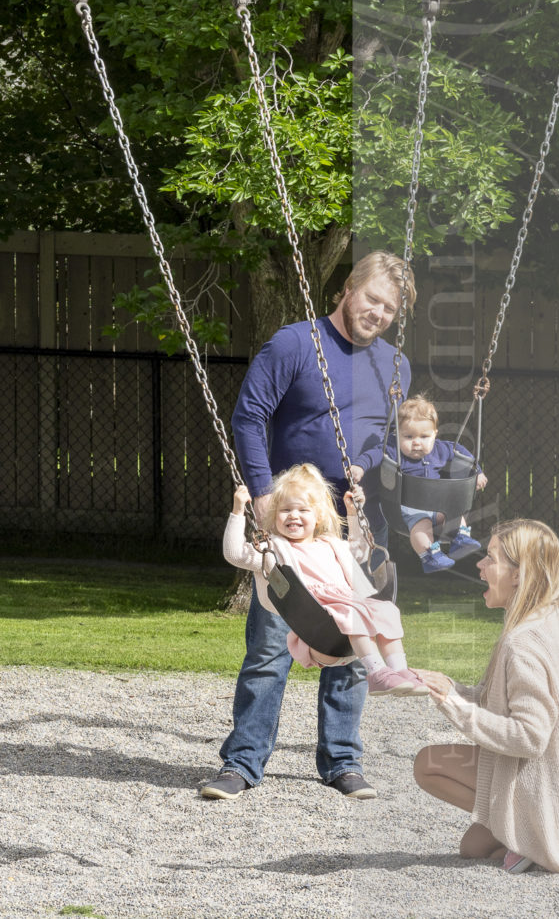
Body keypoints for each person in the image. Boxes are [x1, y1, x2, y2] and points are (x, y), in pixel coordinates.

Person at [201, 251, 415, 803]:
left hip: (357, 524)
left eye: (390, 309)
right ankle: (243, 762)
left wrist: (371, 466)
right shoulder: (295, 344)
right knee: (270, 648)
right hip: (294, 523)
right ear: (348, 288)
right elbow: (249, 415)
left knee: (352, 647)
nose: (378, 313)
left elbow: (388, 440)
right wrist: (263, 496)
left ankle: (342, 760)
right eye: (372, 299)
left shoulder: (395, 365)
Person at [413, 518, 559, 877]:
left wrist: (455, 705)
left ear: (518, 574)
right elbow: (501, 701)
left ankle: (538, 837)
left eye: (491, 558)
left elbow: (529, 736)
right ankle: (527, 837)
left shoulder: (522, 642)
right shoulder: (552, 618)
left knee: (426, 764)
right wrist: (448, 688)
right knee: (473, 847)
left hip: (548, 783)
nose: (480, 565)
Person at [223, 463, 427, 696]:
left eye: (303, 510)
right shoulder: (274, 550)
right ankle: (377, 673)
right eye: (285, 510)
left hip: (348, 620)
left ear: (318, 517)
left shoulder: (330, 543)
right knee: (353, 611)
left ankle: (400, 671)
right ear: (274, 514)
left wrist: (353, 514)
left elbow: (360, 551)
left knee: (386, 609)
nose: (293, 515)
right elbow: (234, 554)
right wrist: (238, 511)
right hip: (320, 630)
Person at [353, 394, 488, 572]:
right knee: (421, 526)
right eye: (409, 437)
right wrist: (360, 467)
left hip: (437, 503)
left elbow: (464, 455)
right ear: (397, 435)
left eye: (424, 437)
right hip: (410, 506)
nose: (416, 442)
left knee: (455, 513)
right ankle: (429, 555)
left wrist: (478, 472)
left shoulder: (441, 449)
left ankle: (460, 538)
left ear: (434, 435)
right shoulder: (393, 450)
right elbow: (374, 454)